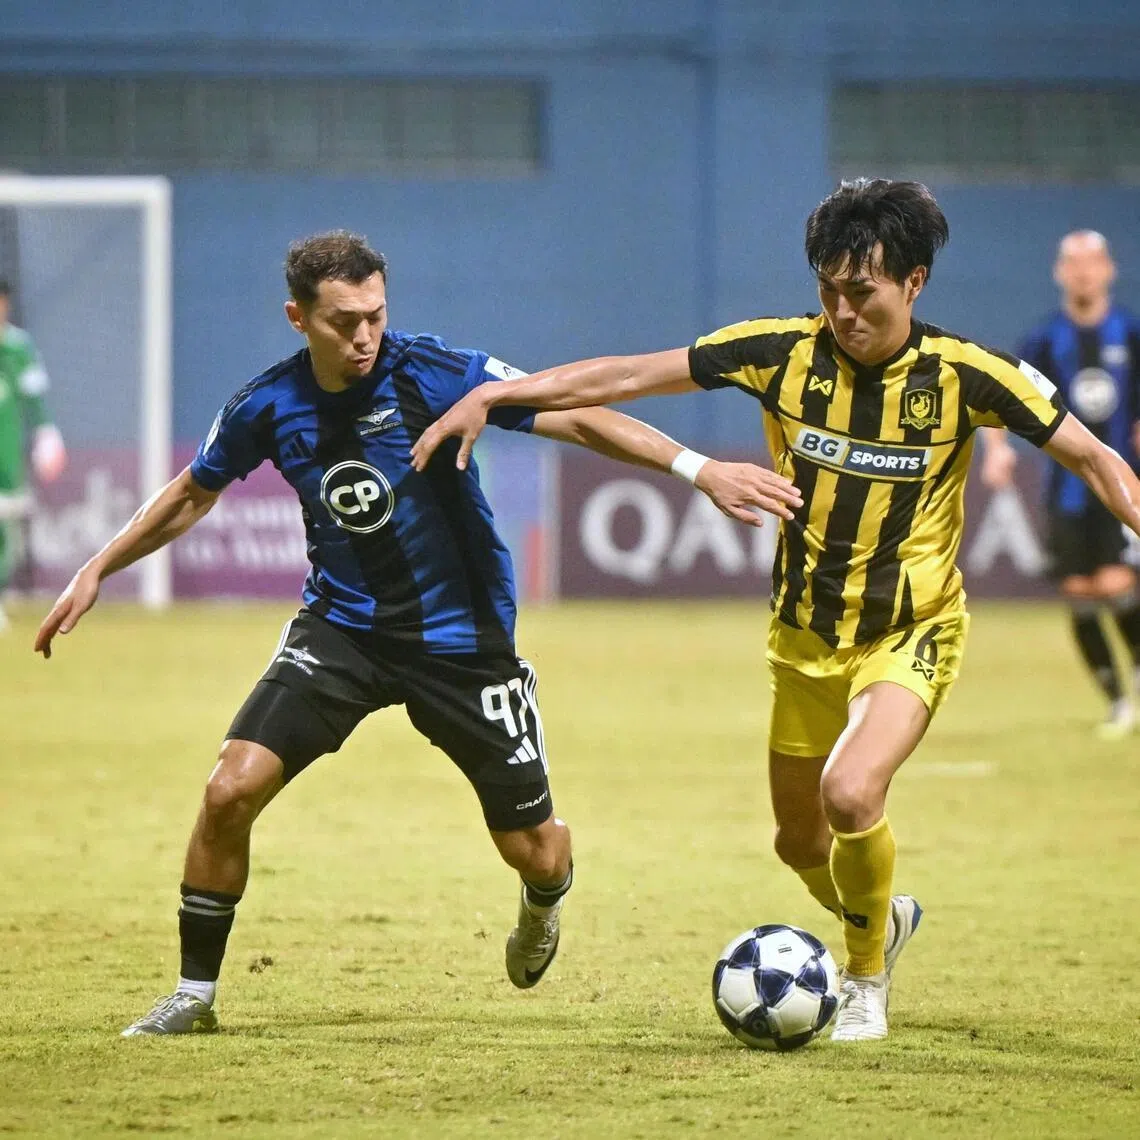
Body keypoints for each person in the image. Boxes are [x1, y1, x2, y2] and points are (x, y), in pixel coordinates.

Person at [411, 180, 1140, 1043]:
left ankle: (864, 980)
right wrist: (499, 394)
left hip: (911, 630)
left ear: (914, 283)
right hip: (802, 639)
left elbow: (1094, 457)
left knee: (851, 791)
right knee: (798, 843)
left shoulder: (969, 374)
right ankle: (882, 920)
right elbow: (630, 373)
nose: (842, 312)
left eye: (861, 292)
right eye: (828, 290)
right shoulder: (778, 352)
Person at [34, 231, 799, 1037]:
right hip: (343, 631)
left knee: (534, 851)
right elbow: (195, 490)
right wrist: (99, 566)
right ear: (298, 318)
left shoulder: (432, 373)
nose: (364, 336)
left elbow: (577, 418)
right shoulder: (268, 405)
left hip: (463, 645)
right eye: (343, 322)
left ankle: (546, 895)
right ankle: (194, 995)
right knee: (229, 790)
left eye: (375, 315)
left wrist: (697, 469)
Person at [981, 231, 1140, 738]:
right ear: (1059, 272)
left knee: (1116, 584)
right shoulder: (1045, 339)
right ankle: (1118, 702)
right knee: (1079, 593)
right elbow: (997, 393)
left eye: (1092, 261)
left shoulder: (1130, 333)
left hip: (1121, 484)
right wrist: (998, 450)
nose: (1084, 271)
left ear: (1109, 269)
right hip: (1065, 490)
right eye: (1074, 262)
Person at [0, 278, 67, 629]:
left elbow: (35, 401)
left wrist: (47, 435)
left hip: (6, 456)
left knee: (5, 529)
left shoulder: (19, 348)